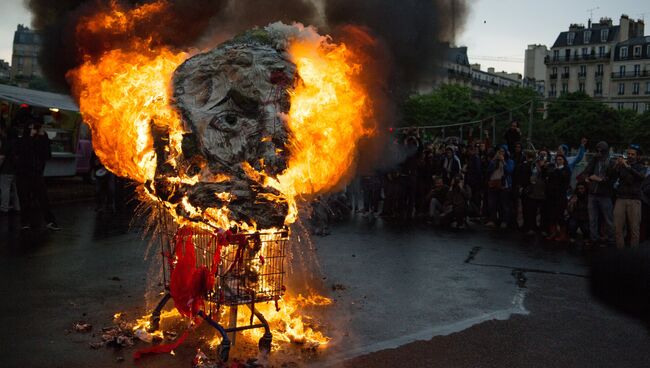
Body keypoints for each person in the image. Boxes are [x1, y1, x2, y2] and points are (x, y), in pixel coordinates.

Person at [15, 121, 60, 231]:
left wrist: (43, 136)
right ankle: (25, 222)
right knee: (25, 200)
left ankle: (50, 221)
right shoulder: (22, 141)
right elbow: (20, 152)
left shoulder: (39, 141)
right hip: (24, 175)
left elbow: (47, 155)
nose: (35, 131)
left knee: (43, 199)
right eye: (33, 128)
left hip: (36, 175)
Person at [580, 141, 615, 246]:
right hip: (593, 193)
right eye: (598, 150)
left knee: (608, 219)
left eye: (601, 150)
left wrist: (599, 179)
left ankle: (611, 239)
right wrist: (587, 178)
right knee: (592, 218)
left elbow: (612, 179)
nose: (599, 152)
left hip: (605, 194)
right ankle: (594, 238)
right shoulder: (594, 160)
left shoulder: (610, 162)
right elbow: (586, 172)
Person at [612, 145, 646, 248]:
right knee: (617, 227)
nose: (630, 156)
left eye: (632, 154)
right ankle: (620, 251)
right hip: (621, 198)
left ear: (637, 156)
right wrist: (616, 166)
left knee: (634, 228)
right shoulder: (622, 165)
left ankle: (634, 253)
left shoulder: (641, 167)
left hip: (634, 200)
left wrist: (628, 167)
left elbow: (640, 177)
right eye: (629, 154)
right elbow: (612, 177)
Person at [485, 145, 514, 228]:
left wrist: (503, 161)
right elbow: (488, 170)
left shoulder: (509, 161)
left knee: (504, 204)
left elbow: (509, 171)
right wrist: (494, 159)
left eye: (502, 151)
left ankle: (504, 220)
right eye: (499, 151)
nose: (501, 153)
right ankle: (493, 220)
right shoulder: (494, 161)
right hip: (493, 183)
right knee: (492, 203)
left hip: (504, 184)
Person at [544, 154, 571, 241]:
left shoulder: (566, 169)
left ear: (563, 160)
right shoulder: (553, 169)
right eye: (557, 159)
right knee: (551, 215)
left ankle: (563, 234)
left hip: (560, 196)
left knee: (560, 216)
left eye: (560, 159)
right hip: (551, 196)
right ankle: (553, 232)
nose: (558, 161)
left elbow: (564, 178)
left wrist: (556, 170)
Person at [522, 150, 548, 234]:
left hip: (543, 191)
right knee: (532, 211)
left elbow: (546, 175)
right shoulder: (533, 164)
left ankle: (542, 228)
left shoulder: (549, 165)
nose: (542, 156)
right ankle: (532, 227)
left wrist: (543, 166)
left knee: (543, 212)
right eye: (541, 155)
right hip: (533, 191)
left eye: (544, 155)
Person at [0, 125, 20, 214]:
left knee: (5, 189)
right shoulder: (19, 143)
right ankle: (17, 207)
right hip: (17, 169)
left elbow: (2, 157)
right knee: (16, 190)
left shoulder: (6, 143)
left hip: (6, 169)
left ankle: (4, 208)